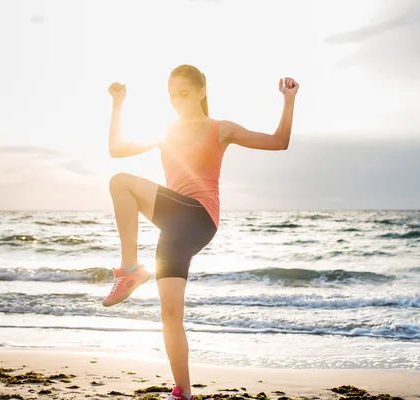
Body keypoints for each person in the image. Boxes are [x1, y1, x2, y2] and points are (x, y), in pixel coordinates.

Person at [103, 64, 299, 400]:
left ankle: (131, 270)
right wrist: (118, 105)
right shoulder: (165, 132)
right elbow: (117, 149)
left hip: (199, 216)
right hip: (173, 228)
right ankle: (183, 391)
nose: (177, 101)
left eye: (184, 93)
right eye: (171, 96)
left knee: (121, 182)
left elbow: (279, 142)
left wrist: (289, 100)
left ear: (201, 90)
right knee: (169, 315)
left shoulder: (220, 129)